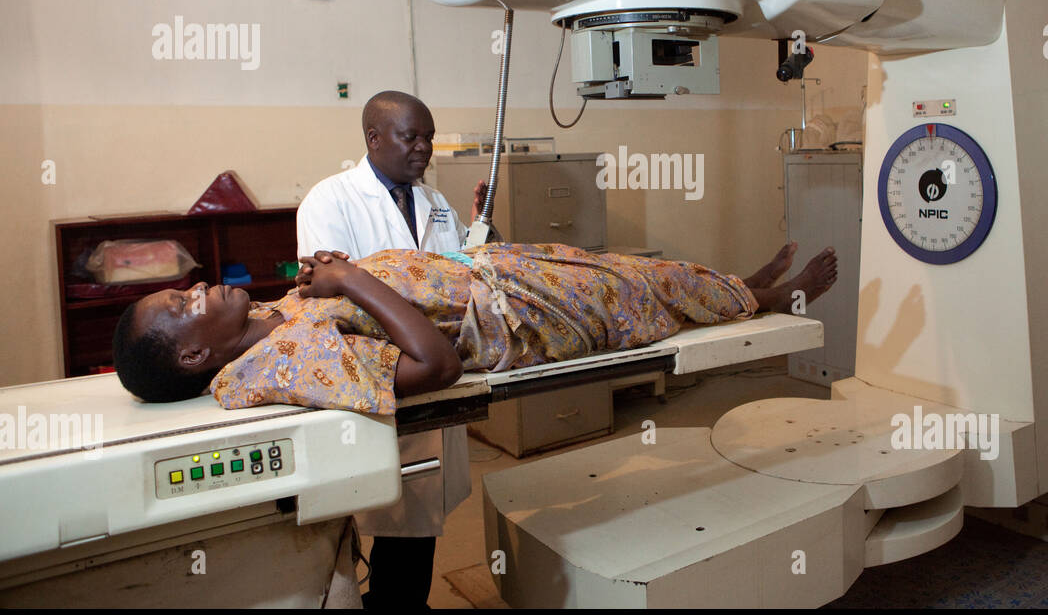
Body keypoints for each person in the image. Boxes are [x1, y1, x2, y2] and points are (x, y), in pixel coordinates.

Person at [113, 241, 837, 414]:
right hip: (518, 318)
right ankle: (765, 298)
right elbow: (434, 367)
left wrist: (326, 281)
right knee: (644, 297)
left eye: (180, 291)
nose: (195, 288)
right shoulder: (278, 367)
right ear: (195, 356)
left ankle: (746, 288)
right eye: (179, 308)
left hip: (500, 271)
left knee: (639, 269)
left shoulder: (273, 323)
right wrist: (349, 279)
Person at [293, 89, 484, 609]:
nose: (423, 147)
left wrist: (480, 232)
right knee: (363, 527)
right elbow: (334, 298)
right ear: (374, 139)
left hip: (436, 373)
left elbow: (459, 272)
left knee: (418, 525)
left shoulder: (435, 202)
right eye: (411, 137)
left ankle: (402, 604)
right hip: (382, 378)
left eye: (428, 137)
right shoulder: (329, 200)